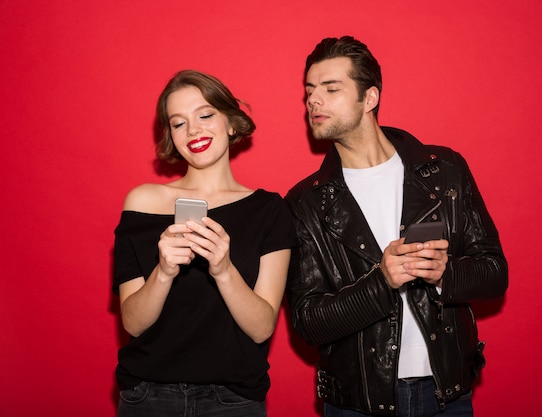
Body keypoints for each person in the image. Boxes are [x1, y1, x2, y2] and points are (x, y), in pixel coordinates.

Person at [285, 36, 508, 417]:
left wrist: (444, 274)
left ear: (369, 98)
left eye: (330, 88)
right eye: (309, 90)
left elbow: (494, 273)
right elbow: (307, 321)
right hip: (358, 404)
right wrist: (381, 282)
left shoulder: (445, 171)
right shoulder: (306, 202)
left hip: (447, 397)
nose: (313, 100)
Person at [112, 69, 296, 416]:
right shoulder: (142, 202)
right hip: (148, 396)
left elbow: (261, 328)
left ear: (230, 122)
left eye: (205, 115)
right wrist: (164, 271)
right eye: (178, 123)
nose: (193, 130)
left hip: (233, 400)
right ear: (171, 135)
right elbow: (133, 323)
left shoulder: (269, 210)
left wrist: (224, 270)